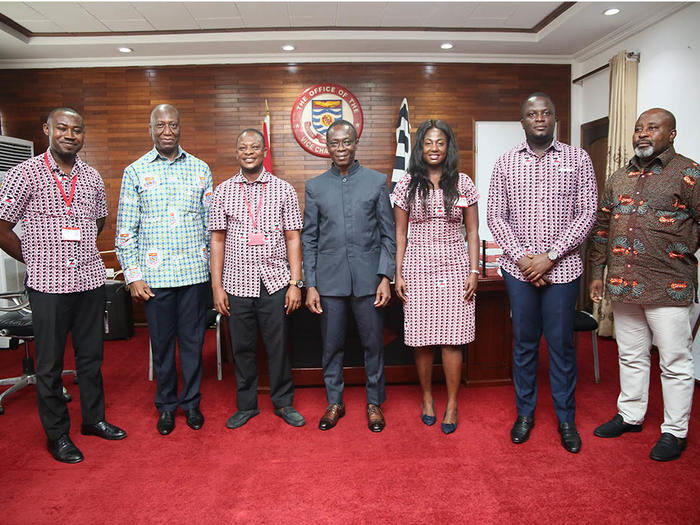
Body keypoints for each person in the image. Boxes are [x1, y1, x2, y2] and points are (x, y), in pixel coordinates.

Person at [0, 108, 126, 463]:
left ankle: (94, 420)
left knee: (91, 358)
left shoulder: (91, 176)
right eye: (62, 128)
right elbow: (1, 226)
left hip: (88, 280)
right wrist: (36, 257)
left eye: (77, 130)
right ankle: (57, 435)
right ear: (47, 130)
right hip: (48, 284)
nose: (70, 135)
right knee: (50, 364)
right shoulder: (23, 174)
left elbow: (98, 219)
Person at [486, 92, 597, 453]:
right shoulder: (505, 162)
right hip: (519, 271)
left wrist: (549, 257)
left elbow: (587, 213)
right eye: (532, 113)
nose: (539, 118)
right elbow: (495, 216)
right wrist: (523, 259)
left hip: (562, 270)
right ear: (523, 121)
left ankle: (566, 419)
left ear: (554, 119)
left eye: (545, 113)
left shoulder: (578, 158)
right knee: (524, 344)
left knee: (563, 346)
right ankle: (525, 413)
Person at [589, 108, 697, 462]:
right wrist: (596, 274)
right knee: (630, 355)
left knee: (675, 361)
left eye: (653, 127)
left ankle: (674, 431)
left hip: (669, 285)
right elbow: (602, 229)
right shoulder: (619, 177)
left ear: (672, 134)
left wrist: (682, 248)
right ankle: (631, 415)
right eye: (638, 129)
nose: (643, 134)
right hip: (623, 282)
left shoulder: (688, 173)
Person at [115, 104, 212, 435]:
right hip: (155, 280)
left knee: (193, 343)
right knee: (162, 344)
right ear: (151, 129)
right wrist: (133, 276)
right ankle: (167, 406)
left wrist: (214, 274)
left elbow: (211, 226)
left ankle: (192, 402)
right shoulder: (135, 171)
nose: (167, 130)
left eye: (173, 124)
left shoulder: (201, 169)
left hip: (195, 275)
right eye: (160, 125)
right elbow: (125, 231)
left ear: (180, 128)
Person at [302, 119, 396, 432]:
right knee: (331, 345)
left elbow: (388, 233)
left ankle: (374, 403)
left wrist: (385, 276)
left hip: (370, 280)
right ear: (326, 147)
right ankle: (335, 402)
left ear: (355, 143)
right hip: (329, 282)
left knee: (373, 345)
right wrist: (311, 284)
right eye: (334, 143)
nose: (341, 148)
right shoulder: (315, 186)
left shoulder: (376, 181)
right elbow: (309, 238)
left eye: (346, 142)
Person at [210, 129, 305, 429]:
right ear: (236, 152)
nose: (248, 151)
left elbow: (293, 237)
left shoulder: (283, 189)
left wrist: (295, 283)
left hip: (275, 281)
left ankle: (283, 403)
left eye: (254, 147)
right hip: (236, 283)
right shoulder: (222, 191)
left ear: (264, 151)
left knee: (278, 346)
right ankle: (246, 405)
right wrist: (216, 286)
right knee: (242, 347)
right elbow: (217, 241)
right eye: (242, 147)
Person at [392, 119, 479, 434]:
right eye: (428, 142)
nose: (434, 148)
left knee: (453, 340)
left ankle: (452, 403)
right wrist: (398, 272)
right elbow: (400, 233)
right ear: (420, 147)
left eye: (440, 142)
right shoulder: (406, 184)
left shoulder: (463, 183)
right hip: (417, 265)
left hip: (455, 265)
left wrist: (473, 270)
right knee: (423, 339)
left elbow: (472, 231)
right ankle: (427, 397)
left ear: (448, 146)